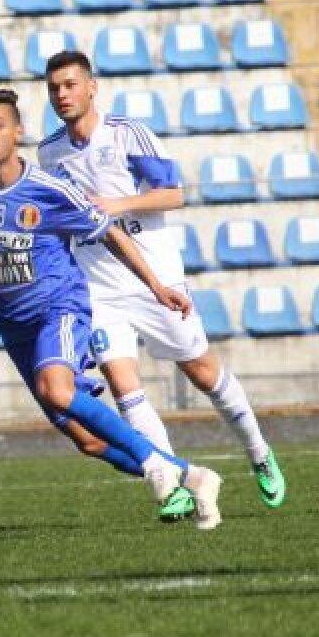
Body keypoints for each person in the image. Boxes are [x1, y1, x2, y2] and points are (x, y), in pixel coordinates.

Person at [0, 88, 224, 530]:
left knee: (56, 389)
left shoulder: (49, 191)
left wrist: (156, 286)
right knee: (86, 440)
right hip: (14, 328)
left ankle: (155, 465)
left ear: (18, 131)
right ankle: (192, 476)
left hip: (60, 308)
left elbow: (111, 234)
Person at [38, 50, 286, 522]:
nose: (62, 95)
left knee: (203, 373)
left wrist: (116, 204)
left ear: (92, 87)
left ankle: (258, 451)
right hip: (98, 285)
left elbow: (173, 193)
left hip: (156, 275)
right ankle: (173, 483)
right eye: (54, 88)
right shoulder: (49, 153)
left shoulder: (126, 133)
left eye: (70, 85)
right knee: (122, 383)